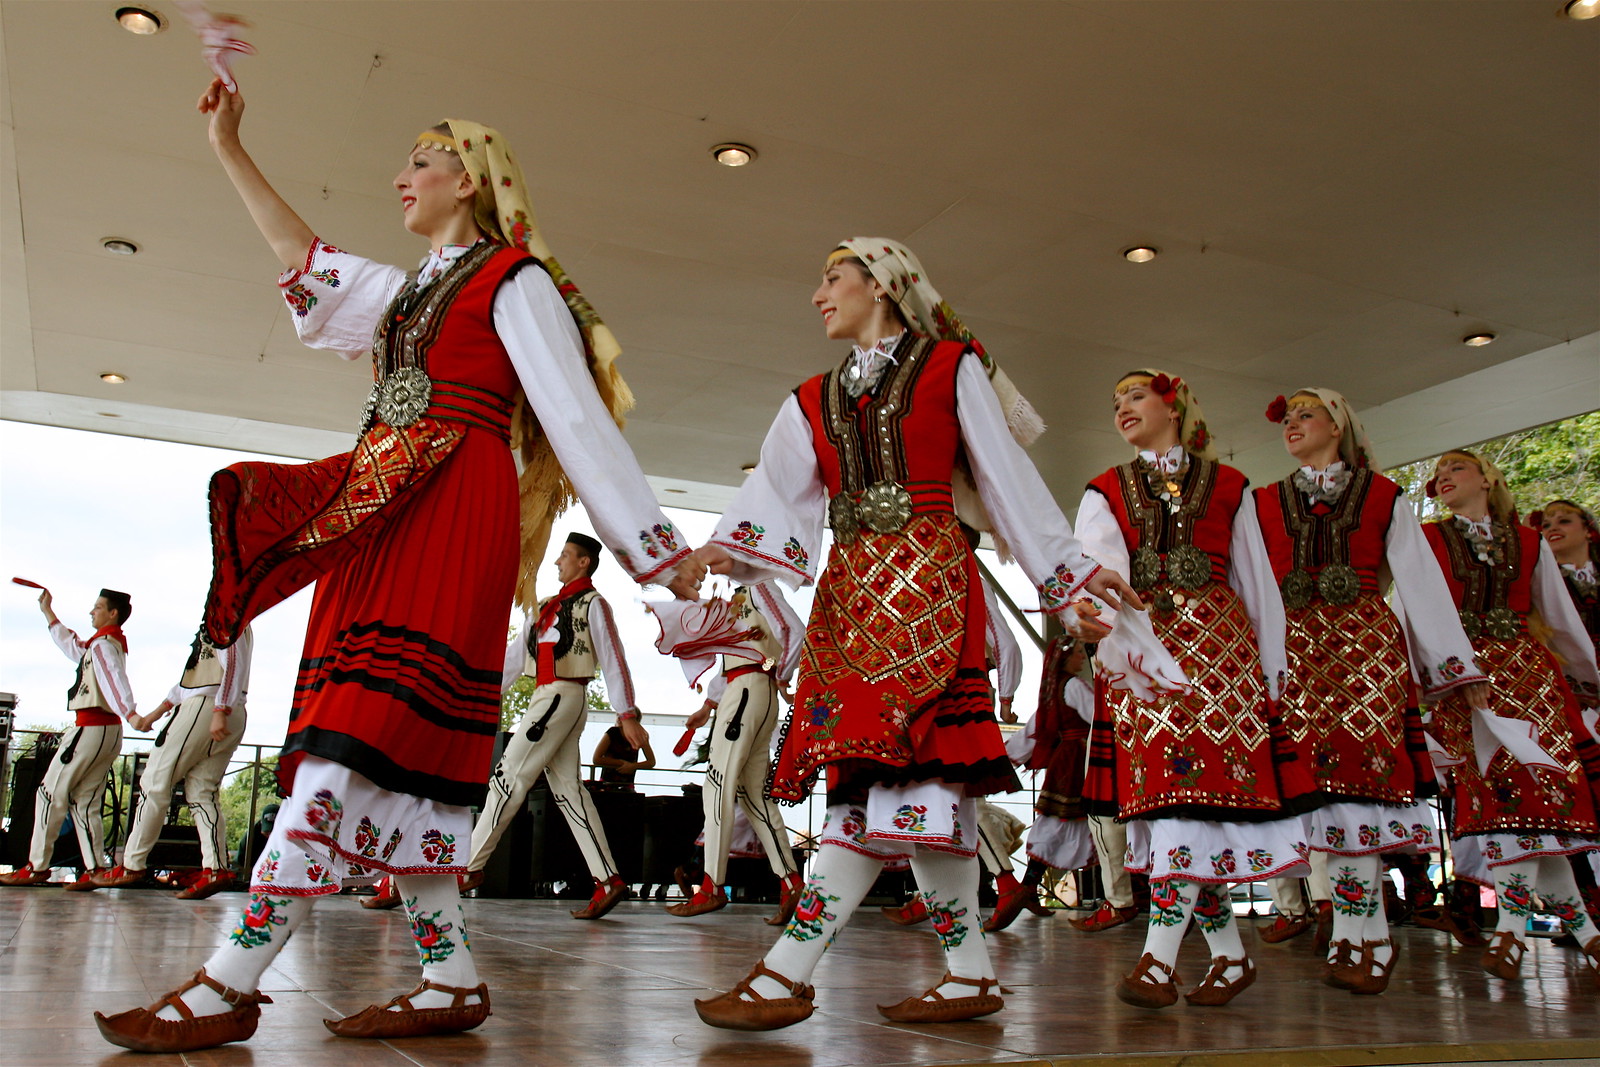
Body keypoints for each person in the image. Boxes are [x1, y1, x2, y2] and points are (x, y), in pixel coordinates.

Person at [92, 79, 700, 1055]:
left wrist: (657, 557)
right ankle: (450, 974)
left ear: (470, 176)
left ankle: (229, 979)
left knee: (348, 741)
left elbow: (576, 419)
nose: (399, 176)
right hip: (380, 507)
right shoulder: (406, 289)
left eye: (419, 160)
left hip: (456, 506)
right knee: (397, 759)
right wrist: (226, 145)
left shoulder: (516, 279)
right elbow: (301, 255)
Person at [687, 237, 1140, 1030]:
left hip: (931, 587)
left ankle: (787, 970)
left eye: (834, 278)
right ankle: (966, 972)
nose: (819, 294)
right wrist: (714, 550)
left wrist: (1065, 572)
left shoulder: (949, 366)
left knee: (903, 781)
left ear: (883, 284)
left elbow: (1004, 478)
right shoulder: (811, 397)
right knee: (912, 793)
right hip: (853, 603)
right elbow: (772, 491)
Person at [1078, 370, 1315, 1009]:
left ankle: (1162, 960)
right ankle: (1226, 957)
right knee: (1174, 802)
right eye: (1116, 400)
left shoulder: (1232, 487)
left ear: (1172, 403)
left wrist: (1273, 675)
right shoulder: (1105, 489)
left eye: (1134, 395)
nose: (1122, 407)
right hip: (1147, 656)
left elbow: (1257, 584)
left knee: (1193, 804)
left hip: (1222, 653)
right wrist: (1093, 618)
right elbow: (1095, 570)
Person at [1255, 389, 1488, 993]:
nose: (1293, 425)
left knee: (1358, 795)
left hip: (1363, 653)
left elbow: (1419, 582)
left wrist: (1455, 670)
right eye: (1288, 418)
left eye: (1306, 414)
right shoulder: (1261, 502)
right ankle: (1355, 935)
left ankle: (1369, 937)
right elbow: (1248, 582)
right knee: (1319, 799)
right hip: (1293, 656)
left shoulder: (1383, 496)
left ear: (1338, 425)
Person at [1422, 451, 1600, 983]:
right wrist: (1435, 679)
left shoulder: (1528, 542)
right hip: (1467, 683)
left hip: (1530, 679)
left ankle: (1527, 929)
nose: (1444, 478)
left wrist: (1590, 679)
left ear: (1487, 477)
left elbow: (1561, 619)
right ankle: (1549, 931)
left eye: (1456, 467)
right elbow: (1418, 612)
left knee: (1537, 810)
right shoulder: (1431, 540)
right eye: (1438, 475)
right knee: (1503, 804)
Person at [455, 533, 653, 920]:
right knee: (568, 792)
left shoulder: (594, 604)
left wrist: (625, 711)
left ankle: (469, 867)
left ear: (584, 563)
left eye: (565, 556)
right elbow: (514, 659)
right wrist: (478, 697)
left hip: (562, 695)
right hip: (550, 696)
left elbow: (613, 657)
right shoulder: (543, 607)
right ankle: (608, 878)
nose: (557, 562)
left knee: (508, 775)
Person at [662, 582, 805, 923]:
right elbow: (742, 655)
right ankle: (791, 881)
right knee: (754, 797)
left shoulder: (758, 587)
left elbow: (794, 630)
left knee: (717, 787)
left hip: (748, 691)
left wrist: (781, 672)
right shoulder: (742, 596)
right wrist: (709, 705)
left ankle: (712, 886)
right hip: (747, 690)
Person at [92, 625, 255, 898]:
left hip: (207, 706)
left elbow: (231, 663)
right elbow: (186, 684)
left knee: (155, 782)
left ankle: (132, 864)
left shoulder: (227, 616)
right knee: (203, 793)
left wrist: (220, 707)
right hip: (228, 708)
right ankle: (215, 868)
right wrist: (154, 715)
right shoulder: (228, 617)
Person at [1, 588, 139, 888]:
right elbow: (73, 648)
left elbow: (115, 679)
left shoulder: (103, 645)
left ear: (112, 613)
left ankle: (37, 866)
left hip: (91, 726)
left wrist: (131, 713)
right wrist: (49, 613)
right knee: (85, 800)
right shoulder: (103, 644)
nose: (92, 612)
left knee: (49, 793)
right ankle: (95, 869)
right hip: (107, 730)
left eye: (98, 607)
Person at [986, 635, 1095, 932]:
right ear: (1064, 658)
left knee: (1062, 824)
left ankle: (1028, 888)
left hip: (1065, 763)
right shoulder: (1074, 686)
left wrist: (1006, 757)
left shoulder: (1051, 690)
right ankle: (1127, 897)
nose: (1081, 658)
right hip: (1081, 762)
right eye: (1077, 654)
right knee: (1093, 823)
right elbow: (1099, 719)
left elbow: (1034, 729)